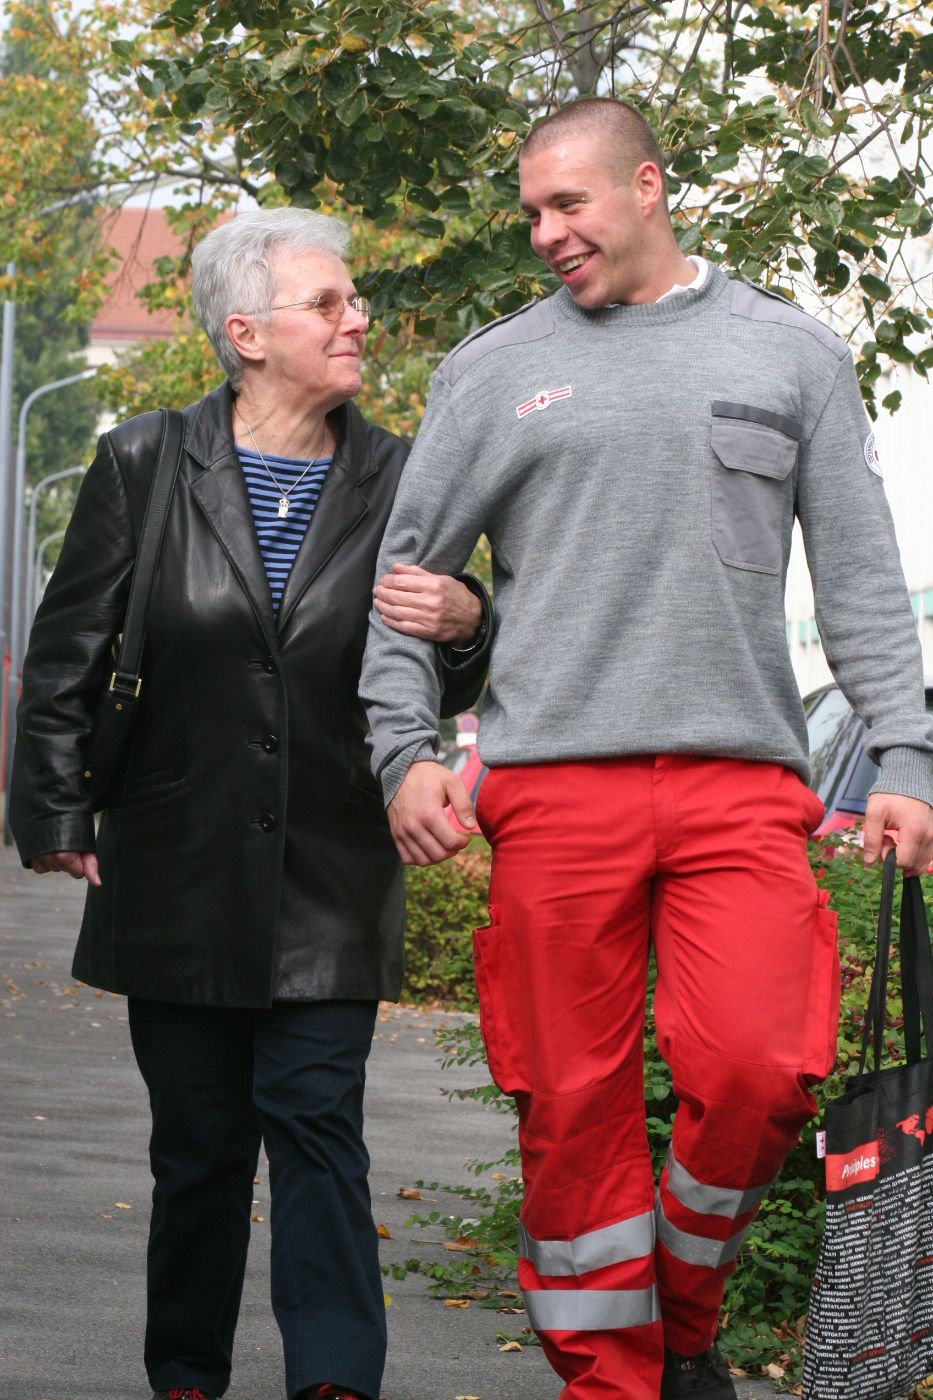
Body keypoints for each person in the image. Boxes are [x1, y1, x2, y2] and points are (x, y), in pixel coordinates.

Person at [360, 98, 933, 1400]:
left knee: (756, 1067)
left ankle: (680, 1311)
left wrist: (903, 756)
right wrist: (404, 751)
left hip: (740, 783)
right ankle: (609, 1381)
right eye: (531, 214)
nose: (546, 233)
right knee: (567, 1108)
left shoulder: (790, 354)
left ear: (648, 186)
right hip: (553, 787)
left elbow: (856, 577)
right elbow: (405, 580)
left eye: (569, 204)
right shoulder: (493, 370)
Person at [10, 207, 492, 1400]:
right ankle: (186, 1372)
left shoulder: (401, 473)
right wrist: (58, 812)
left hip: (332, 862)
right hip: (174, 856)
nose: (357, 319)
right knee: (200, 1148)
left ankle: (335, 1379)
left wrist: (473, 621)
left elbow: (446, 657)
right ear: (247, 331)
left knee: (319, 1125)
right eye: (328, 303)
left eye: (355, 299)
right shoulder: (142, 460)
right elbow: (67, 648)